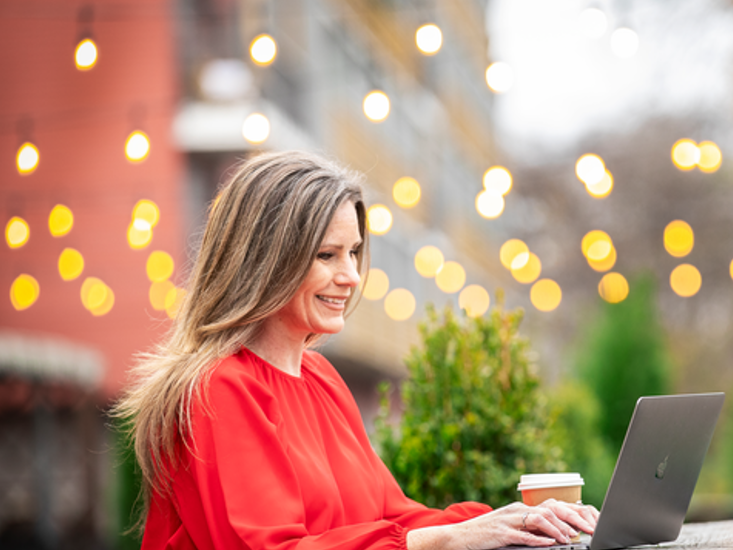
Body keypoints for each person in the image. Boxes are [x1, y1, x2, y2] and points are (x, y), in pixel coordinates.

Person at [113, 151, 599, 550]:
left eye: (353, 252)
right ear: (265, 260)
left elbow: (393, 515)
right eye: (326, 255)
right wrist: (447, 539)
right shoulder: (221, 387)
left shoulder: (320, 376)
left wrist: (514, 521)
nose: (350, 275)